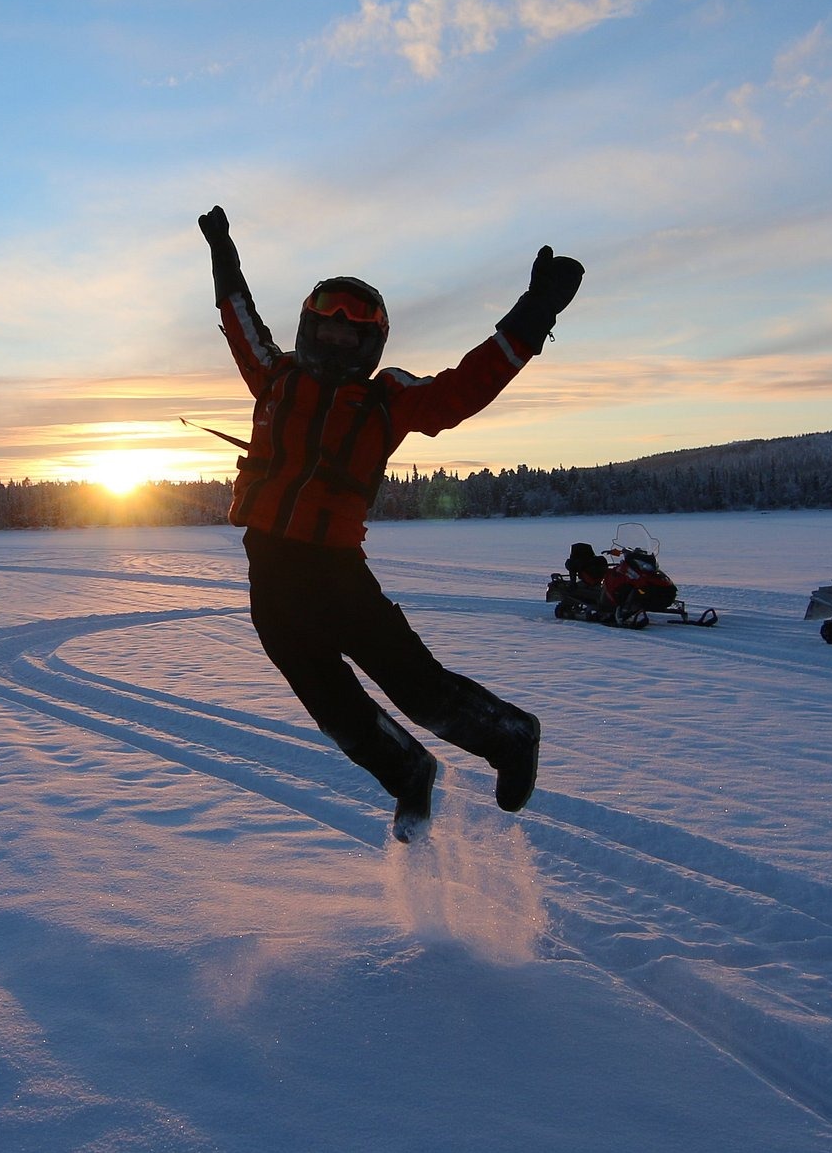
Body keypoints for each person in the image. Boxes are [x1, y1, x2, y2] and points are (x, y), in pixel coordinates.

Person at [197, 205, 584, 842]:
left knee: (415, 687)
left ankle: (510, 736)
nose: (338, 342)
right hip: (268, 575)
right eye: (328, 329)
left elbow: (465, 387)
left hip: (336, 577)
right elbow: (238, 314)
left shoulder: (388, 401)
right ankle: (406, 773)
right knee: (331, 705)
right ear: (309, 329)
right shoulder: (273, 377)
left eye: (353, 336)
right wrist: (222, 249)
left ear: (372, 345)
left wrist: (533, 314)